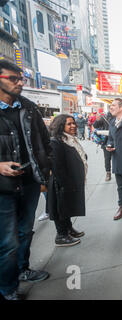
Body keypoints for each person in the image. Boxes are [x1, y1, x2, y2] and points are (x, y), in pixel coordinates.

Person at [0, 60, 52, 300]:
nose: (20, 82)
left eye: (21, 79)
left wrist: (44, 173)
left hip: (29, 182)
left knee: (25, 231)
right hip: (4, 189)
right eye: (13, 78)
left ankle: (23, 269)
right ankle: (8, 290)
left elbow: (44, 142)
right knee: (8, 242)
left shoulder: (29, 107)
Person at [47, 114, 87, 247]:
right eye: (69, 124)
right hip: (61, 182)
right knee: (61, 208)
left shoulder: (69, 139)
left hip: (69, 180)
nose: (73, 126)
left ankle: (69, 229)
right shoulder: (56, 142)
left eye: (74, 123)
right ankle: (61, 235)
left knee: (67, 206)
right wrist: (65, 184)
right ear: (61, 126)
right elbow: (57, 166)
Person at [93, 111, 114, 181]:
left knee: (120, 157)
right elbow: (95, 125)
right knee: (107, 159)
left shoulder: (120, 117)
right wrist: (97, 119)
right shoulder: (104, 117)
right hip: (106, 141)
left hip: (118, 141)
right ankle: (108, 173)